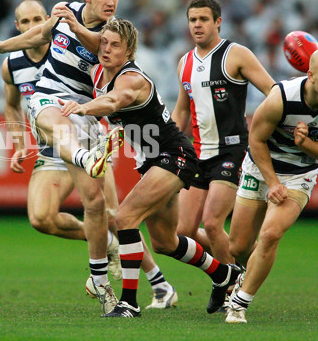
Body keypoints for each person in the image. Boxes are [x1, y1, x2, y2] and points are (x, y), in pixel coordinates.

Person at [3, 0, 178, 312]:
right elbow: (11, 104)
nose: (32, 27)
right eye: (25, 22)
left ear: (49, 20)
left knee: (111, 215)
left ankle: (158, 282)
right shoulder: (13, 65)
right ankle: (110, 247)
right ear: (18, 27)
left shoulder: (85, 43)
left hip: (86, 134)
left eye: (37, 20)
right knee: (41, 218)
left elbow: (116, 84)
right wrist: (18, 142)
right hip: (52, 141)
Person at [60, 18, 240, 318]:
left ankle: (128, 302)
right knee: (164, 242)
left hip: (173, 154)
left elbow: (117, 100)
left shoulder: (132, 79)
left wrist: (84, 108)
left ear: (129, 51)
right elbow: (97, 48)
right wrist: (77, 29)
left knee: (126, 217)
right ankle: (224, 274)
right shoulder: (100, 71)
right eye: (103, 43)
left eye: (114, 45)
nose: (105, 49)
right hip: (152, 160)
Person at [225, 48, 318, 324]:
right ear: (311, 76)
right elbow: (255, 141)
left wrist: (304, 143)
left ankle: (238, 304)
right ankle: (249, 272)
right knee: (238, 245)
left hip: (299, 174)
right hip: (259, 168)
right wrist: (271, 182)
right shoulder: (280, 98)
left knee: (270, 235)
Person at [172, 0, 274, 277]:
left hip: (230, 152)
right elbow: (182, 110)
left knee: (213, 223)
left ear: (218, 22)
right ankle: (239, 260)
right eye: (192, 20)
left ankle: (229, 287)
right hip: (197, 153)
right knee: (183, 232)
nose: (197, 25)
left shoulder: (236, 54)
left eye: (203, 19)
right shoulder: (185, 62)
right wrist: (164, 146)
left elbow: (272, 90)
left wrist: (272, 128)